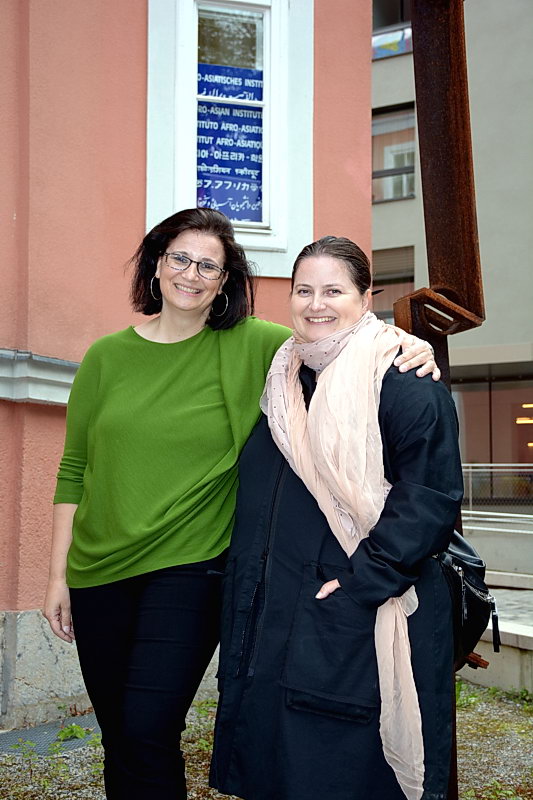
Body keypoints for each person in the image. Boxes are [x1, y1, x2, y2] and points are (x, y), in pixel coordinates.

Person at [43, 209, 438, 800]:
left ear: (225, 282)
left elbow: (336, 334)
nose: (192, 274)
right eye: (180, 258)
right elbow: (74, 469)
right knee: (118, 734)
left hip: (189, 568)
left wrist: (406, 344)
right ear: (156, 266)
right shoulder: (105, 356)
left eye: (210, 266)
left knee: (148, 729)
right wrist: (58, 576)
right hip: (97, 571)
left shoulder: (255, 345)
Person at [210, 236, 463, 800]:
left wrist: (358, 587)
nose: (316, 304)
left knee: (346, 772)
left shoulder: (402, 380)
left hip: (358, 608)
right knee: (278, 766)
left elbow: (429, 499)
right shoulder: (282, 377)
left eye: (333, 290)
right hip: (275, 610)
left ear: (366, 297)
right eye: (304, 290)